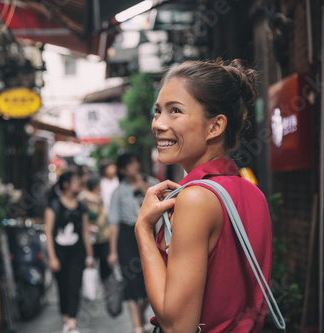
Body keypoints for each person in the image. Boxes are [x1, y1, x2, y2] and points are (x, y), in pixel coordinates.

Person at [135, 59, 271, 332]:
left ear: (215, 127)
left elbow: (177, 326)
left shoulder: (195, 199)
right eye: (158, 111)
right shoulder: (253, 193)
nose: (158, 124)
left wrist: (143, 229)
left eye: (175, 111)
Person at [108, 152, 158, 333]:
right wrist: (113, 251)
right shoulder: (119, 192)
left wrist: (143, 186)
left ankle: (143, 313)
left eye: (136, 161)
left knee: (151, 280)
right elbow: (113, 223)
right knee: (130, 281)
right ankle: (137, 326)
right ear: (122, 169)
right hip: (127, 237)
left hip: (150, 234)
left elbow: (159, 205)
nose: (135, 165)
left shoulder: (152, 183)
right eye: (129, 164)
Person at [45, 169, 94, 333]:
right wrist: (52, 257)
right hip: (59, 253)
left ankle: (72, 321)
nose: (78, 184)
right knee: (63, 287)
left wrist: (90, 255)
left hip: (77, 253)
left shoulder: (81, 205)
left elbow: (85, 232)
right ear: (66, 185)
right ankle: (66, 316)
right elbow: (49, 232)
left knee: (75, 285)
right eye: (74, 181)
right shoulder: (54, 205)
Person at [79, 173, 112, 282]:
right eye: (100, 185)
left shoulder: (98, 198)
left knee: (104, 267)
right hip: (90, 237)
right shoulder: (84, 199)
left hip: (101, 237)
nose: (101, 187)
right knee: (89, 264)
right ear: (95, 186)